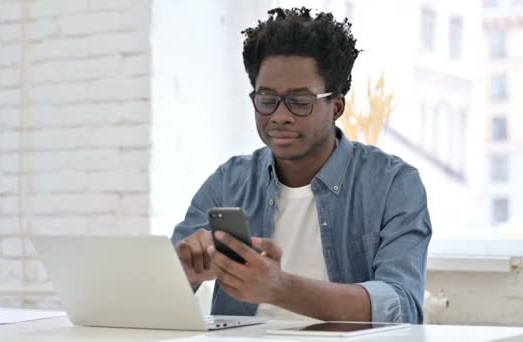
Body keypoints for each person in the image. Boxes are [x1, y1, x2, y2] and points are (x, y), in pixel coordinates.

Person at [170, 7, 432, 324]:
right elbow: (157, 294)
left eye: (300, 101)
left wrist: (280, 287)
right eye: (267, 100)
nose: (279, 115)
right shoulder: (229, 182)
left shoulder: (393, 184)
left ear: (335, 107)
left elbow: (402, 307)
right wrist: (184, 272)